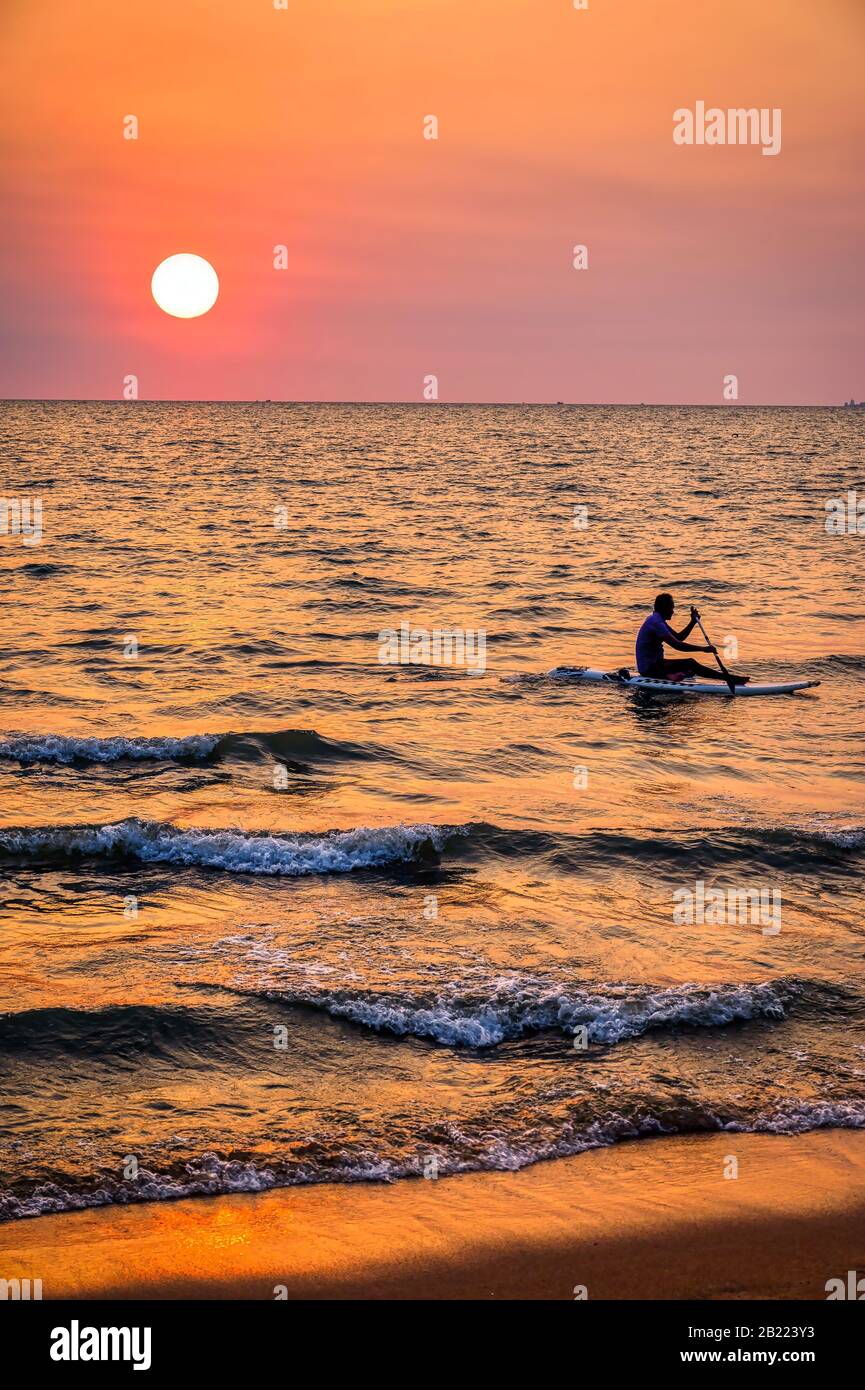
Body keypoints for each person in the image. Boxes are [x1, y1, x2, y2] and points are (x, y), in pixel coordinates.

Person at [635, 594, 749, 685]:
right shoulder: (655, 622)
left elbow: (679, 637)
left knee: (690, 669)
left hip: (657, 664)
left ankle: (672, 675)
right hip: (649, 669)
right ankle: (730, 679)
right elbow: (677, 645)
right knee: (690, 663)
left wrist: (692, 622)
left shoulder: (657, 619)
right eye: (671, 608)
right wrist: (703, 649)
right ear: (664, 608)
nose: (673, 611)